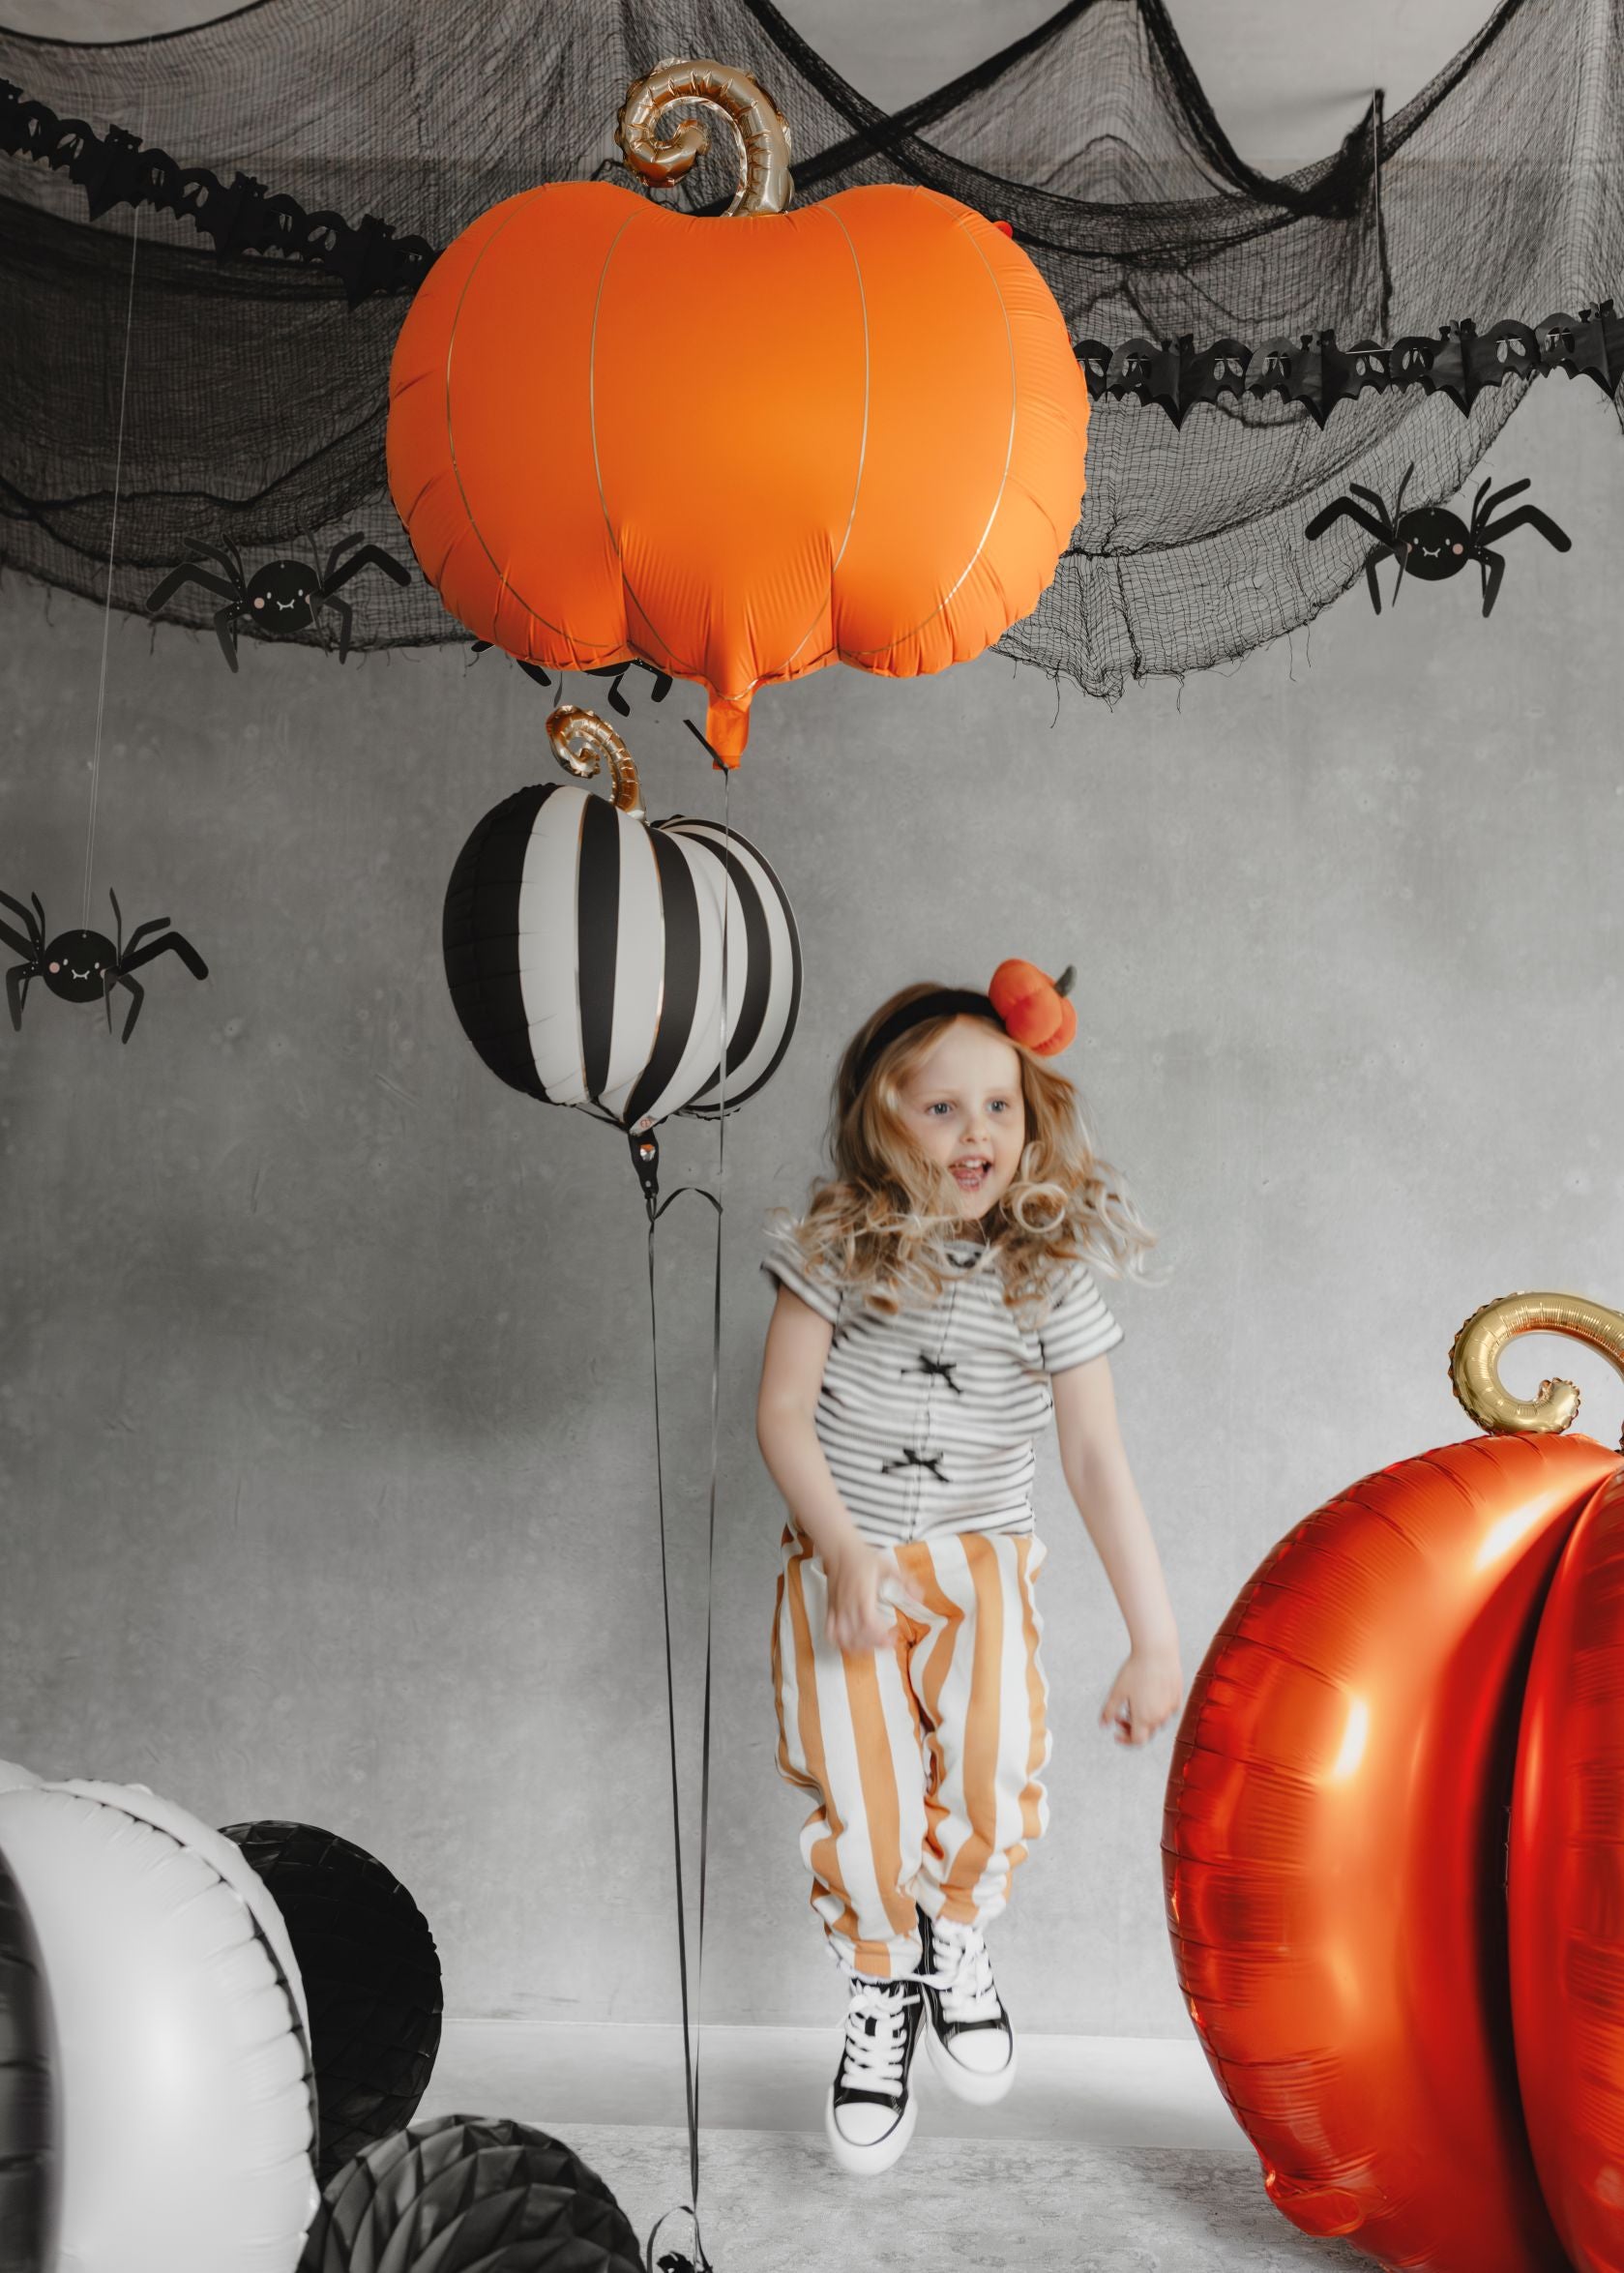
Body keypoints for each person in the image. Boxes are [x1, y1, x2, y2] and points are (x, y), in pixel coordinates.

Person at [755, 965, 1182, 2176]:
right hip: (844, 1563)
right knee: (864, 1788)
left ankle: (957, 1932)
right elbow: (781, 1412)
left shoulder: (1044, 1272)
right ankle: (882, 1990)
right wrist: (841, 1547)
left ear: (1031, 1118)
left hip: (977, 1560)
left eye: (998, 1107)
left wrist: (1153, 1638)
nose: (975, 1132)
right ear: (879, 1114)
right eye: (940, 1108)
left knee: (993, 1761)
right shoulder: (831, 1246)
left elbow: (1093, 1457)